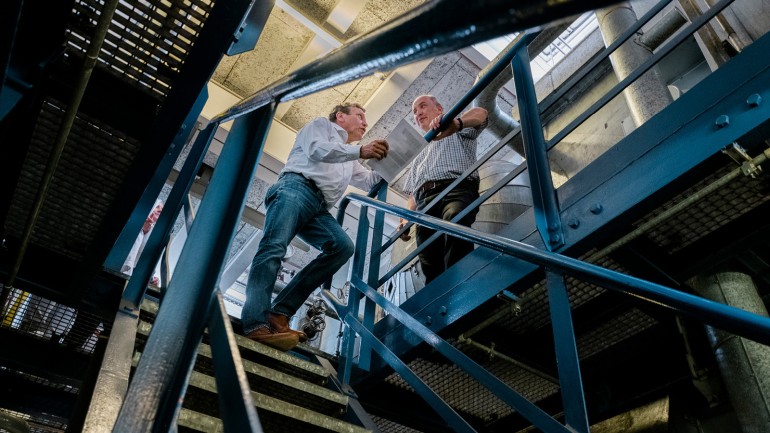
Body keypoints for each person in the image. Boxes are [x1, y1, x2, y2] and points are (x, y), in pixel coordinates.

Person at [241, 102, 388, 351]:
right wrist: (361, 151)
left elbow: (368, 180)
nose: (365, 123)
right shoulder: (321, 126)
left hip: (319, 208)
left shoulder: (349, 154)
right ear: (340, 117)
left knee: (342, 247)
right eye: (360, 116)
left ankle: (279, 313)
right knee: (273, 249)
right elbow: (316, 150)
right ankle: (255, 324)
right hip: (295, 188)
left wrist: (394, 160)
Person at [398, 95, 488, 284]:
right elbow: (413, 195)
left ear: (439, 109)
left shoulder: (455, 127)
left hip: (455, 188)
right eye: (414, 112)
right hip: (424, 201)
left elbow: (482, 114)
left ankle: (460, 284)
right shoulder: (417, 151)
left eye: (422, 106)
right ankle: (438, 296)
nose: (418, 113)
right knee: (428, 253)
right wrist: (405, 219)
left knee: (455, 219)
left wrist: (456, 123)